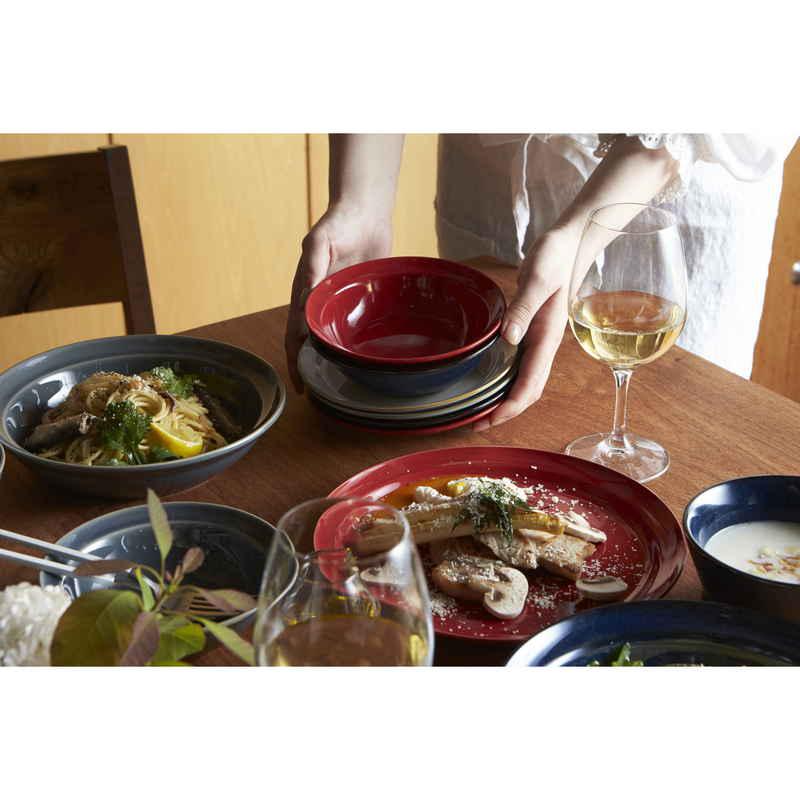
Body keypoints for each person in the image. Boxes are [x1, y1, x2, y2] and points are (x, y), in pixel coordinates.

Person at [285, 133, 797, 431]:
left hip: (672, 185)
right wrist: (361, 201)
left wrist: (578, 236)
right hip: (493, 171)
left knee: (681, 431)